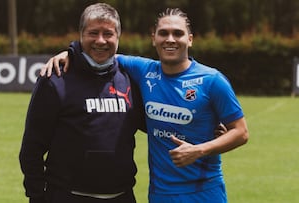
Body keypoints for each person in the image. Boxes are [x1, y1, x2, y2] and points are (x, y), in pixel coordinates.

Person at [41, 7, 249, 203]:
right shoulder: (143, 70)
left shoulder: (212, 80)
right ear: (154, 39)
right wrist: (69, 53)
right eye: (163, 33)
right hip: (159, 193)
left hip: (202, 191)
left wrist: (201, 150)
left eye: (178, 33)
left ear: (190, 39)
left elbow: (241, 132)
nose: (170, 39)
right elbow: (102, 51)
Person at [19, 3, 146, 203]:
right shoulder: (56, 79)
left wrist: (207, 128)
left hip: (122, 196)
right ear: (81, 35)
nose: (100, 40)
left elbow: (157, 123)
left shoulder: (130, 79)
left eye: (108, 34)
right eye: (93, 33)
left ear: (118, 37)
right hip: (66, 196)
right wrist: (36, 195)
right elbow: (31, 148)